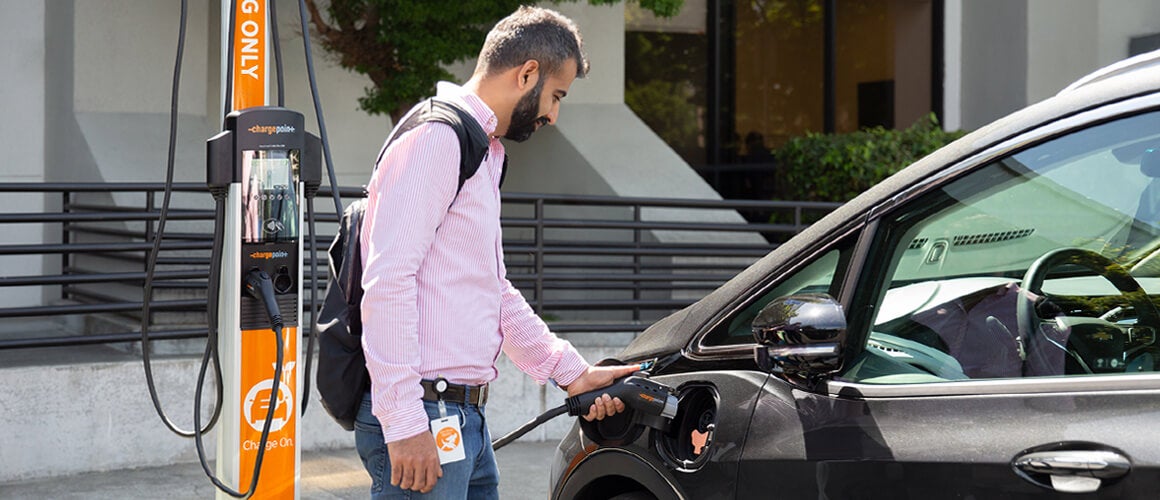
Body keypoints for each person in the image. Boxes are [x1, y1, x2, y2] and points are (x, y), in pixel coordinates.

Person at [356, 6, 639, 498]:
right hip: (426, 413)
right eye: (556, 95)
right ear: (527, 72)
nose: (553, 114)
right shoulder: (438, 139)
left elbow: (493, 290)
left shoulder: (484, 152)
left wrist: (571, 373)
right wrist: (403, 421)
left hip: (461, 417)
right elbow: (388, 281)